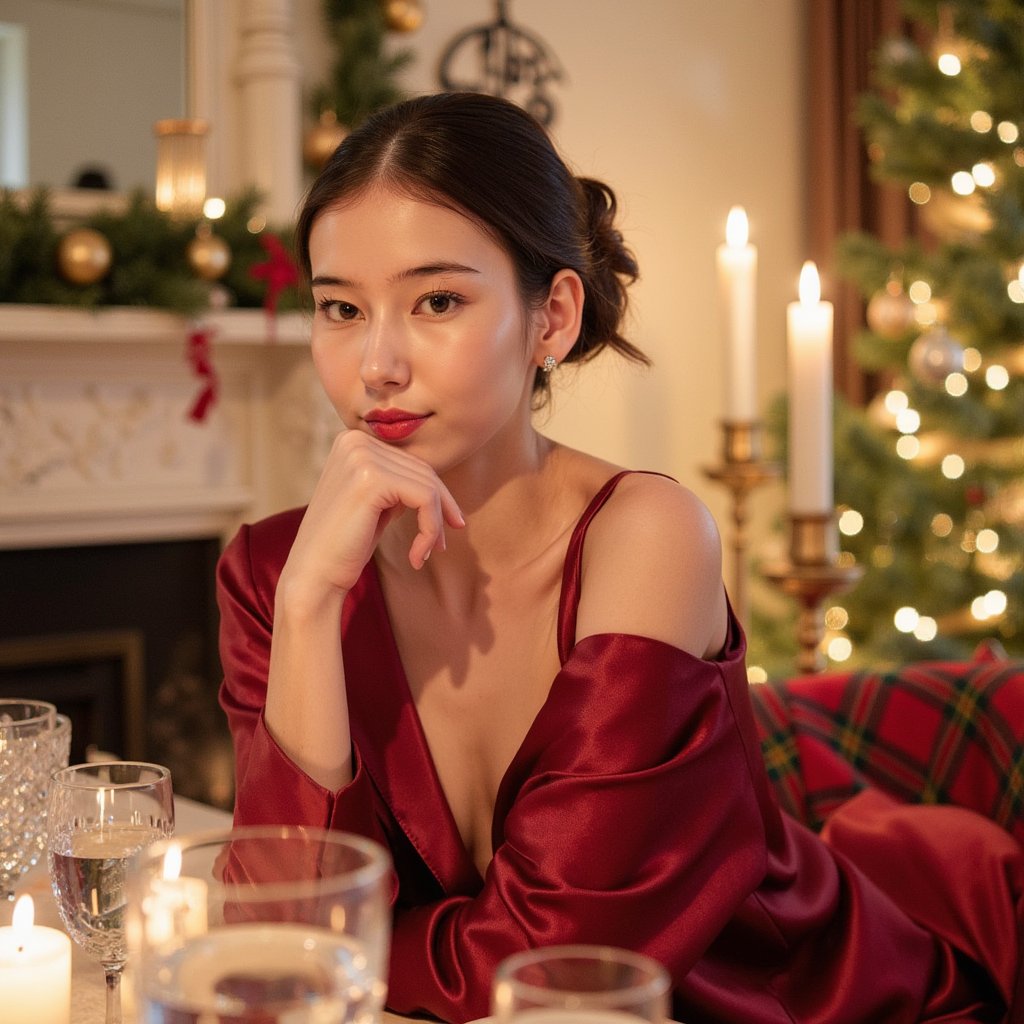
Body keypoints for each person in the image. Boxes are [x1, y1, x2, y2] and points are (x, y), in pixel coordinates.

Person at [218, 91, 1022, 1023]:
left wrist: (326, 951)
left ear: (553, 318)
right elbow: (275, 931)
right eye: (341, 308)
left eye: (438, 299)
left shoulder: (647, 537)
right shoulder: (278, 571)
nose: (377, 364)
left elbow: (550, 968)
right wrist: (312, 603)